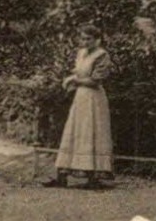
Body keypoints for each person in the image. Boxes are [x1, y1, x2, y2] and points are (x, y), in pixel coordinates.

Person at [45, 26, 114, 190]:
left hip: (94, 98)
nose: (85, 42)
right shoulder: (81, 53)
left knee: (90, 132)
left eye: (89, 39)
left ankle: (92, 178)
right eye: (83, 38)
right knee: (74, 132)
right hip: (80, 97)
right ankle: (62, 177)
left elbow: (96, 80)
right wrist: (71, 79)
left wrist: (74, 81)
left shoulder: (102, 55)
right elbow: (80, 73)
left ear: (97, 39)